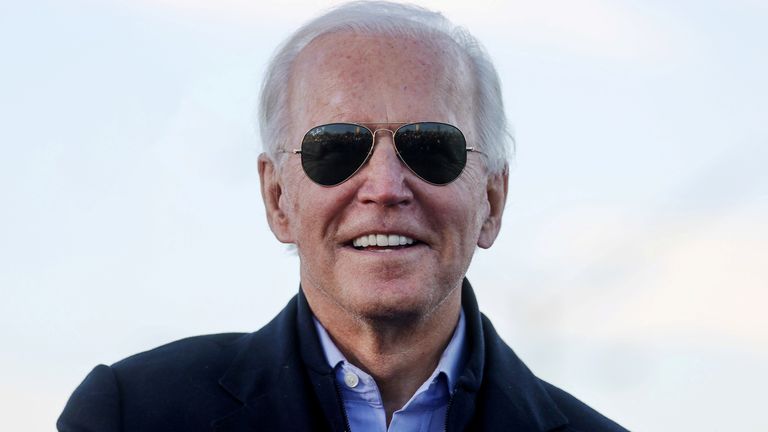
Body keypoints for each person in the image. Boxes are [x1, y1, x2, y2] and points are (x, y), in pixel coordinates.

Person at [58, 2, 627, 431]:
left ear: (492, 203)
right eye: (335, 148)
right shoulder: (130, 416)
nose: (384, 188)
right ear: (278, 198)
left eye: (431, 147)